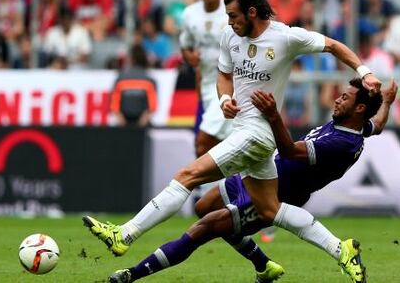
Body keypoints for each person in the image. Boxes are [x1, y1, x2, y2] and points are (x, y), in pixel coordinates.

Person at [82, 0, 381, 282]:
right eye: (227, 17)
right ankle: (339, 249)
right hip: (244, 128)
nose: (229, 22)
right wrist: (225, 98)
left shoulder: (286, 38)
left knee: (188, 176)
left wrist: (365, 71)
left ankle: (125, 234)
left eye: (234, 16)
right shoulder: (230, 35)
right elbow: (223, 75)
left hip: (257, 134)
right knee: (271, 210)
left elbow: (332, 46)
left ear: (252, 13)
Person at [107, 79, 397, 283]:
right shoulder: (358, 125)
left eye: (345, 98)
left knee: (204, 228)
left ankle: (132, 274)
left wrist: (273, 116)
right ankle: (263, 264)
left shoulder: (341, 143)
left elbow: (290, 151)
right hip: (261, 171)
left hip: (276, 192)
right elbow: (379, 123)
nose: (337, 98)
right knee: (203, 207)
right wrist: (386, 101)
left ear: (358, 109)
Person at [179, 0, 232, 158]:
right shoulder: (190, 14)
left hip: (228, 87)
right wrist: (189, 56)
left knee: (203, 143)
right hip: (205, 87)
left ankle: (203, 187)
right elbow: (185, 46)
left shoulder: (230, 14)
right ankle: (227, 186)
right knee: (216, 146)